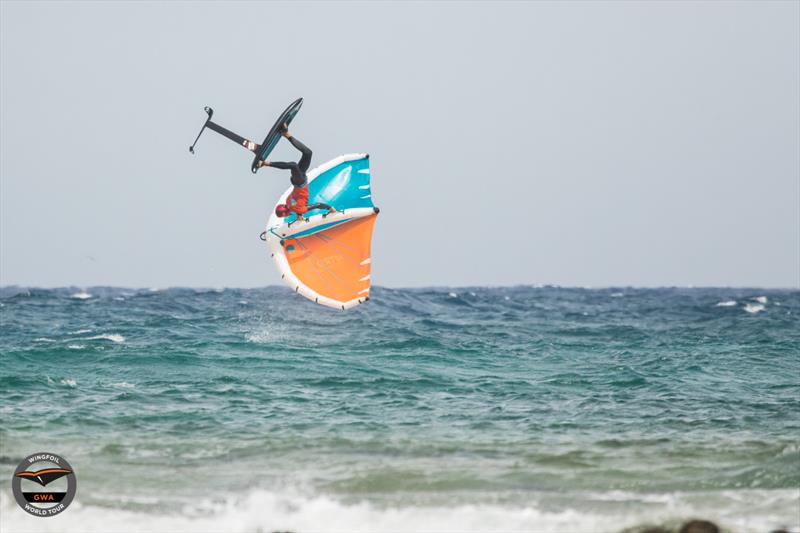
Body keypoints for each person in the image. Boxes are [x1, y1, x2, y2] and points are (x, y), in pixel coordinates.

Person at [258, 126, 336, 223]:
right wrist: (299, 215)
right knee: (308, 153)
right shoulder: (288, 202)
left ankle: (266, 163)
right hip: (300, 179)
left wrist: (330, 208)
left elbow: (317, 205)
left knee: (293, 165)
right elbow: (300, 205)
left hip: (299, 182)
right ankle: (287, 134)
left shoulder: (295, 207)